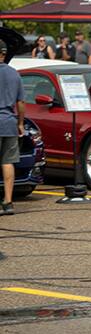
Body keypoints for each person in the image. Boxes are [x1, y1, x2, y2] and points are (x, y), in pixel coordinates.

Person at [0, 41, 24, 215]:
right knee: (7, 162)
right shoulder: (15, 74)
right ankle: (8, 202)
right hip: (9, 122)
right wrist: (20, 123)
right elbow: (21, 103)